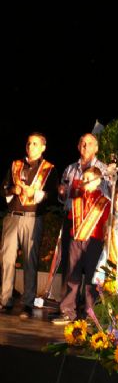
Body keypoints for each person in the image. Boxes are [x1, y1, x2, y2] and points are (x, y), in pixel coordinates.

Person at [1, 133, 58, 318]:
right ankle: (5, 300)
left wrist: (36, 193)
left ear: (43, 147)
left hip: (33, 217)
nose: (30, 146)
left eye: (35, 144)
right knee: (6, 259)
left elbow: (52, 195)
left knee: (30, 261)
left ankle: (27, 302)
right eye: (28, 143)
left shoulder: (49, 169)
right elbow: (3, 188)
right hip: (12, 216)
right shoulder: (15, 165)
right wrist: (13, 189)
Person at [52, 167, 110, 324]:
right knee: (73, 275)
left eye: (87, 179)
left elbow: (106, 224)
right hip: (76, 239)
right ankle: (67, 310)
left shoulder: (104, 202)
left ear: (98, 181)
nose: (83, 181)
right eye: (83, 178)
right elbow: (72, 217)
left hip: (95, 242)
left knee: (92, 277)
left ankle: (91, 313)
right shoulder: (77, 199)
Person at [57, 133, 110, 299]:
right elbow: (63, 197)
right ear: (78, 146)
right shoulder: (70, 169)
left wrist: (90, 189)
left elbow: (108, 196)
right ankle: (67, 308)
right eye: (82, 143)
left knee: (91, 269)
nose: (85, 146)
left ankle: (88, 310)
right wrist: (62, 193)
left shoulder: (104, 169)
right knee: (70, 267)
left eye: (89, 143)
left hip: (93, 227)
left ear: (97, 148)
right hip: (73, 222)